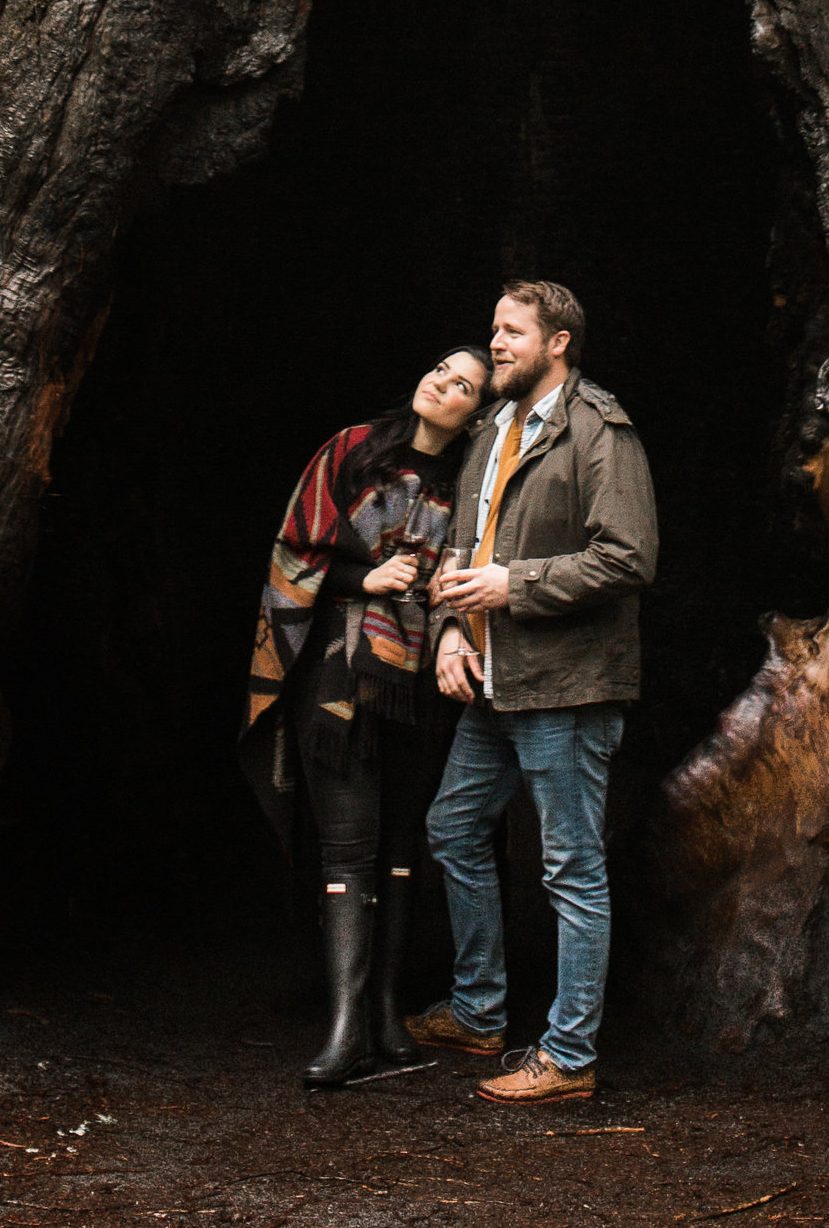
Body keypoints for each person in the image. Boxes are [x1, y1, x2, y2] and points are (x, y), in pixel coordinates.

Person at [408, 278, 658, 1108]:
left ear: (559, 341)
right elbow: (462, 546)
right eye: (493, 330)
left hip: (567, 687)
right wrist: (450, 628)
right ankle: (481, 1012)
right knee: (452, 828)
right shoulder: (495, 427)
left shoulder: (599, 430)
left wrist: (514, 587)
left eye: (512, 331)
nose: (497, 344)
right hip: (493, 680)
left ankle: (569, 1055)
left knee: (570, 869)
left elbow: (628, 556)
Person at [241, 348, 491, 1089]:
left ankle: (386, 1015)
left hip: (425, 683)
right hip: (341, 681)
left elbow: (480, 565)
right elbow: (291, 552)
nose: (440, 384)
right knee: (348, 853)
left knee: (404, 844)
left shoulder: (475, 480)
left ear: (475, 412)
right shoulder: (350, 450)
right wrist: (363, 576)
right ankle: (346, 1028)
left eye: (462, 387)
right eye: (441, 371)